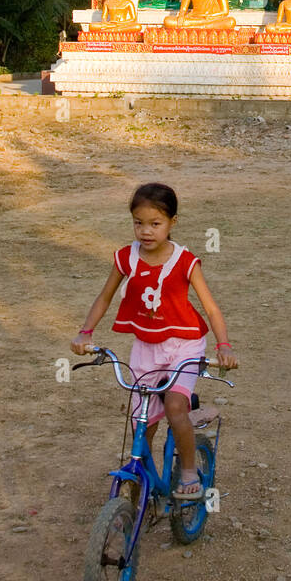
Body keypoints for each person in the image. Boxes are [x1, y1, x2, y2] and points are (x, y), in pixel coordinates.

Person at [71, 183, 238, 500]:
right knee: (140, 422)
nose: (145, 231)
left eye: (155, 223)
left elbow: (211, 307)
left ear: (173, 222)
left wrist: (224, 345)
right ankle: (143, 497)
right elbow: (104, 297)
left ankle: (188, 473)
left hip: (184, 344)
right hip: (146, 346)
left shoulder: (186, 261)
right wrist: (85, 332)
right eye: (138, 222)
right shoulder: (125, 258)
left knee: (175, 408)